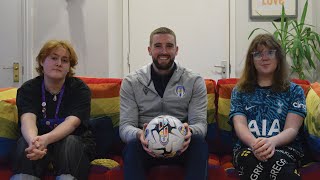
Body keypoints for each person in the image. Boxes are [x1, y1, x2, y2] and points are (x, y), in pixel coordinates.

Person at [119, 27, 208, 180]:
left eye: (169, 46)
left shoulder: (194, 81)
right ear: (149, 49)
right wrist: (140, 134)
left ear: (176, 49)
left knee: (199, 143)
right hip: (145, 145)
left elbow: (201, 124)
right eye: (158, 46)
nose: (164, 51)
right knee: (132, 145)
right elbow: (125, 127)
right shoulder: (131, 82)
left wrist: (189, 132)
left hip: (181, 146)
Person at [11, 40, 95, 180]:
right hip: (38, 144)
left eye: (65, 60)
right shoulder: (28, 89)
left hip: (72, 146)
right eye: (54, 58)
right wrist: (34, 142)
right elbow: (28, 119)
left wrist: (46, 140)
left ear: (69, 67)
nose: (59, 63)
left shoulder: (80, 89)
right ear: (42, 61)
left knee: (70, 142)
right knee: (24, 143)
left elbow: (72, 123)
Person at [229, 33, 306, 180]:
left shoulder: (294, 91)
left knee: (278, 162)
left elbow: (292, 129)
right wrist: (255, 144)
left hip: (285, 148)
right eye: (258, 54)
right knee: (252, 162)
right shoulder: (239, 91)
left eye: (270, 52)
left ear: (279, 57)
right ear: (252, 60)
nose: (264, 58)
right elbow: (240, 126)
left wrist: (271, 142)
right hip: (248, 148)